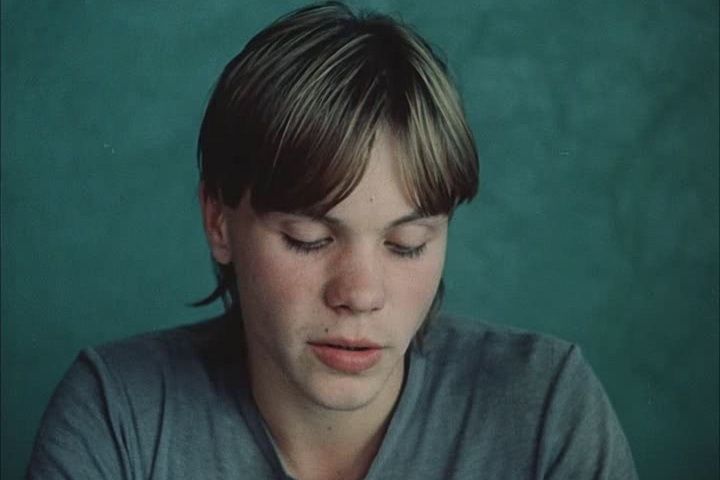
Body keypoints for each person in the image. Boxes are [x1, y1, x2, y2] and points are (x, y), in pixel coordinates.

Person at [27, 2, 638, 479]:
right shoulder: (117, 414)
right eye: (309, 238)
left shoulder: (547, 408)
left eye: (407, 244)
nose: (361, 294)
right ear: (218, 221)